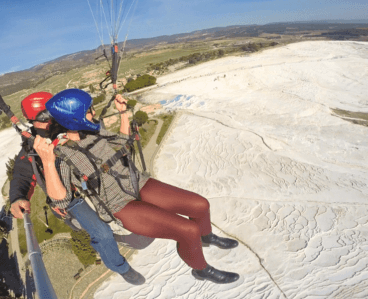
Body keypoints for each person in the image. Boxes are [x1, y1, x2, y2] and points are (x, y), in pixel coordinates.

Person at [33, 88, 240, 284]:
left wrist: (123, 113)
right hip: (120, 203)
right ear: (75, 118)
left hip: (136, 182)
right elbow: (61, 199)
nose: (94, 112)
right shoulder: (61, 154)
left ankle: (206, 237)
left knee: (200, 205)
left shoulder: (92, 132)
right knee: (187, 230)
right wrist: (48, 162)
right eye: (89, 110)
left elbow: (122, 143)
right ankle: (201, 269)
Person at [9, 92, 145, 285]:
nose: (49, 123)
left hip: (92, 177)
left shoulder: (70, 126)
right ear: (33, 121)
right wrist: (17, 197)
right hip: (71, 197)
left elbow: (105, 140)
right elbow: (22, 176)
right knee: (102, 233)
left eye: (51, 116)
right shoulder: (32, 148)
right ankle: (121, 267)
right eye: (43, 119)